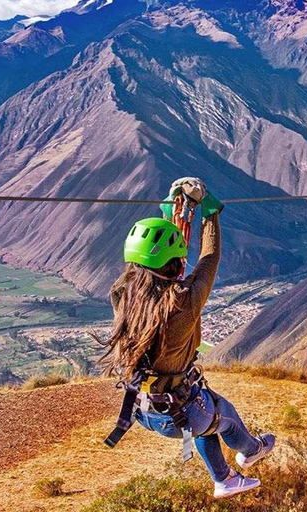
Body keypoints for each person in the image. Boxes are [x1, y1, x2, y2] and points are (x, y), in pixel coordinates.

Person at [99, 177, 275, 498]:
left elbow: (145, 268)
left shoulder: (121, 298)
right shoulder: (185, 300)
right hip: (180, 413)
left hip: (144, 411)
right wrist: (209, 211)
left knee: (206, 418)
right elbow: (209, 258)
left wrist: (173, 209)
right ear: (174, 264)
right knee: (226, 417)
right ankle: (252, 451)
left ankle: (224, 478)